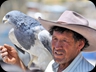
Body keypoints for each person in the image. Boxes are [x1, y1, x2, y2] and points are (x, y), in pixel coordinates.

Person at [0, 10, 95, 72]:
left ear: (80, 44)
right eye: (54, 38)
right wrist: (18, 62)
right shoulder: (53, 66)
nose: (56, 46)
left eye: (64, 40)